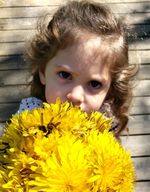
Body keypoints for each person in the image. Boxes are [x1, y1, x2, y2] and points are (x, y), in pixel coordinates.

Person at [18, 0, 137, 138]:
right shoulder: (27, 124)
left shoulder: (104, 126)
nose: (75, 96)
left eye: (94, 84)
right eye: (65, 74)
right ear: (43, 72)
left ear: (110, 89)